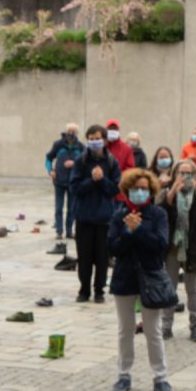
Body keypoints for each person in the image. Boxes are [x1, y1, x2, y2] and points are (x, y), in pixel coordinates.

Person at [107, 168, 173, 391]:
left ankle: (160, 377)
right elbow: (113, 248)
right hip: (125, 278)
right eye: (135, 189)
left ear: (151, 191)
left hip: (151, 279)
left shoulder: (158, 215)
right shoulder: (118, 215)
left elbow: (161, 245)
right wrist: (127, 231)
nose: (139, 193)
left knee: (153, 331)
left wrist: (140, 229)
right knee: (125, 330)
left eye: (144, 189)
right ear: (127, 190)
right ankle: (123, 375)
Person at [161, 159, 196, 343]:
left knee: (194, 290)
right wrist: (171, 195)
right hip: (172, 249)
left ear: (195, 175)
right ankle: (166, 325)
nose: (184, 177)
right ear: (175, 175)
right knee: (169, 288)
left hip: (194, 248)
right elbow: (160, 214)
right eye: (181, 173)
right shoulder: (168, 193)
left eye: (188, 173)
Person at [70, 125, 122, 304]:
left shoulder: (111, 162)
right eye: (90, 138)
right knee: (84, 258)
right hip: (84, 217)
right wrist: (91, 180)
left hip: (104, 219)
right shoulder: (81, 161)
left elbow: (115, 189)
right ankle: (84, 290)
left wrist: (102, 180)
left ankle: (99, 290)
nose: (94, 142)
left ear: (105, 140)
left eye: (97, 138)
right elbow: (75, 188)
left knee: (102, 258)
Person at [46, 123, 85, 239]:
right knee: (59, 207)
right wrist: (50, 171)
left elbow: (85, 162)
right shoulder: (58, 145)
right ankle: (59, 231)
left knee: (72, 208)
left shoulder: (81, 147)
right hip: (59, 181)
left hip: (73, 182)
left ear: (77, 133)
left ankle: (69, 231)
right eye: (69, 130)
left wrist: (74, 163)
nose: (71, 133)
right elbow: (48, 158)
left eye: (74, 131)